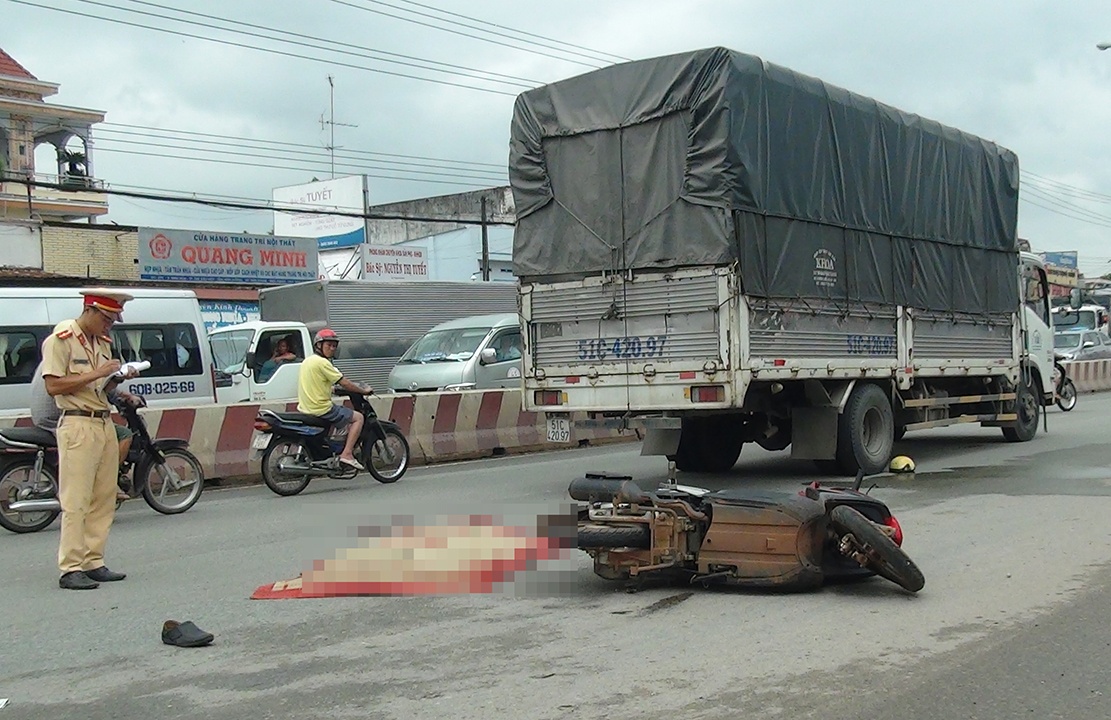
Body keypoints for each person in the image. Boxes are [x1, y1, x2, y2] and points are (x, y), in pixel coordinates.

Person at [40, 289, 134, 591]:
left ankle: (94, 560)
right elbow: (54, 386)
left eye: (114, 321)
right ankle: (70, 567)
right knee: (76, 499)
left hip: (103, 421)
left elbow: (100, 387)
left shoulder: (102, 343)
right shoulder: (61, 339)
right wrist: (98, 372)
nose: (110, 326)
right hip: (77, 423)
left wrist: (116, 380)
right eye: (107, 319)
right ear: (91, 310)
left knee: (104, 496)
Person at [29, 360, 143, 504]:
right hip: (59, 418)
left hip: (43, 416)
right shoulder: (73, 357)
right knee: (124, 435)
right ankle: (107, 483)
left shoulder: (51, 360)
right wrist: (122, 395)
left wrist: (120, 391)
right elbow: (94, 385)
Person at [297, 328, 371, 471]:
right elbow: (345, 383)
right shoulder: (323, 363)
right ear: (319, 345)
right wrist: (363, 391)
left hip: (306, 407)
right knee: (358, 418)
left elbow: (318, 383)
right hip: (321, 409)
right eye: (328, 345)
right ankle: (347, 454)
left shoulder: (308, 361)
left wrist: (332, 389)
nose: (332, 348)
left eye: (334, 346)